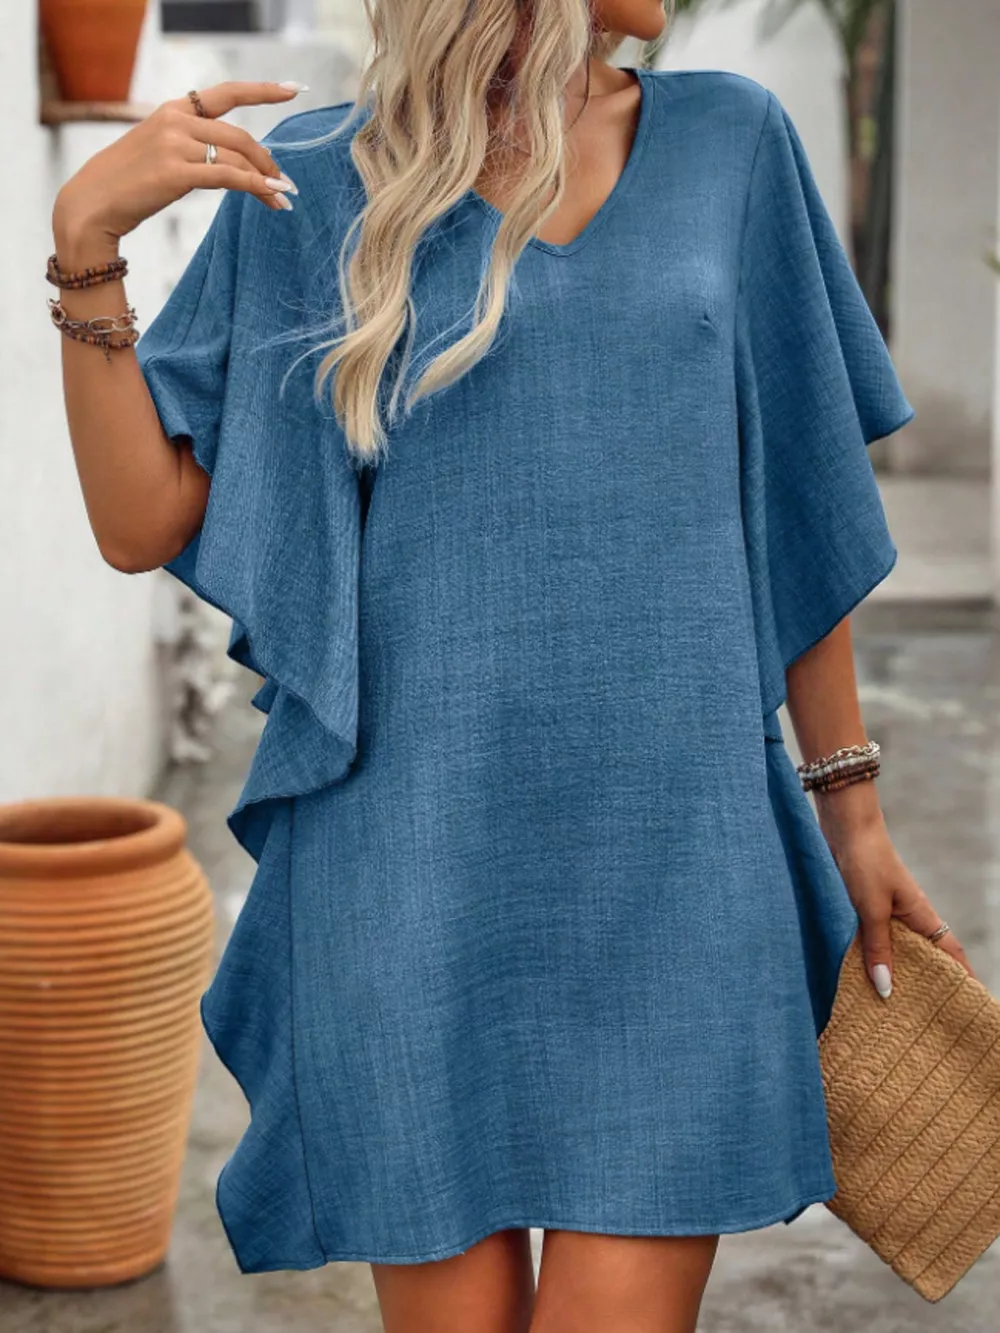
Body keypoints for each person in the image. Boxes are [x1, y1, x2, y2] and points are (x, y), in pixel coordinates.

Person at [50, 2, 974, 1329]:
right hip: (410, 862)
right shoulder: (316, 182)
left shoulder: (734, 143)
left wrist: (854, 806)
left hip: (677, 860)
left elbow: (796, 490)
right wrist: (87, 245)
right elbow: (140, 521)